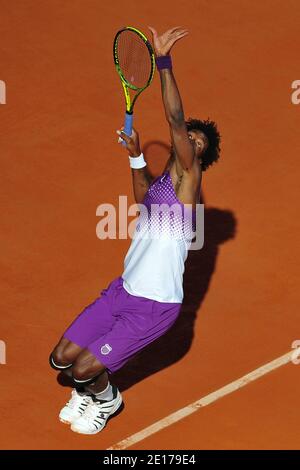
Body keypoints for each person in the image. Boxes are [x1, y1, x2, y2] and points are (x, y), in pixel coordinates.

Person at [49, 26, 221, 435]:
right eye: (189, 139)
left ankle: (106, 399)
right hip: (122, 291)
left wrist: (163, 63)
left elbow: (176, 119)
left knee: (85, 368)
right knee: (62, 360)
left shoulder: (189, 180)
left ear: (198, 156)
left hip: (152, 307)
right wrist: (135, 158)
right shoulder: (165, 188)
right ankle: (87, 389)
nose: (188, 142)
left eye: (195, 143)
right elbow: (144, 200)